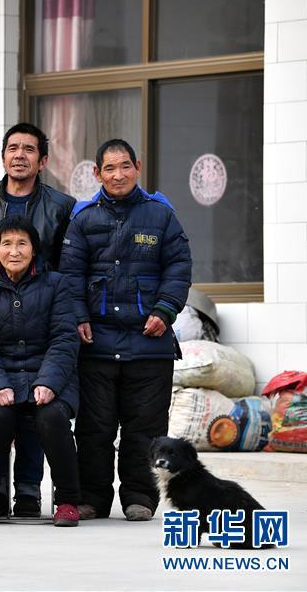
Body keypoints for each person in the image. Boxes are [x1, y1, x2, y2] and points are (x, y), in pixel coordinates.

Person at [60, 139, 192, 521]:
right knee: (94, 428)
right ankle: (93, 499)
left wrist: (165, 311)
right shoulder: (83, 218)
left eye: (125, 167)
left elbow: (179, 266)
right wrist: (79, 316)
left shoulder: (161, 215)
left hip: (149, 344)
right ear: (97, 173)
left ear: (137, 167)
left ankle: (140, 497)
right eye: (109, 169)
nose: (118, 175)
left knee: (145, 429)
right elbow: (70, 275)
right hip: (96, 343)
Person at [0, 122, 76, 517]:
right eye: (13, 147)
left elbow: (68, 264)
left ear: (42, 160)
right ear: (3, 155)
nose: (20, 155)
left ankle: (28, 492)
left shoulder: (62, 206)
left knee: (39, 413)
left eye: (29, 149)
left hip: (41, 309)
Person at [0, 215, 81, 527]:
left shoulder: (56, 284)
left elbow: (64, 338)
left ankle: (68, 500)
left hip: (51, 376)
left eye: (22, 243)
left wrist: (48, 382)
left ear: (34, 249)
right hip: (0, 376)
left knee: (52, 416)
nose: (14, 251)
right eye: (7, 244)